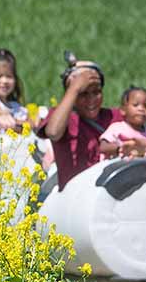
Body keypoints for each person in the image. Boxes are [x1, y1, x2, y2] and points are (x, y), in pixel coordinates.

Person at [35, 57, 122, 190]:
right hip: (74, 198)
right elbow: (53, 132)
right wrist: (75, 87)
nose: (91, 99)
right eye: (83, 93)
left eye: (96, 92)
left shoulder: (114, 116)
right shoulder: (63, 118)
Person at [99, 85, 146, 158]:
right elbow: (103, 147)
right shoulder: (117, 128)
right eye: (135, 105)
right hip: (119, 167)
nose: (141, 109)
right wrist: (120, 149)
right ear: (123, 110)